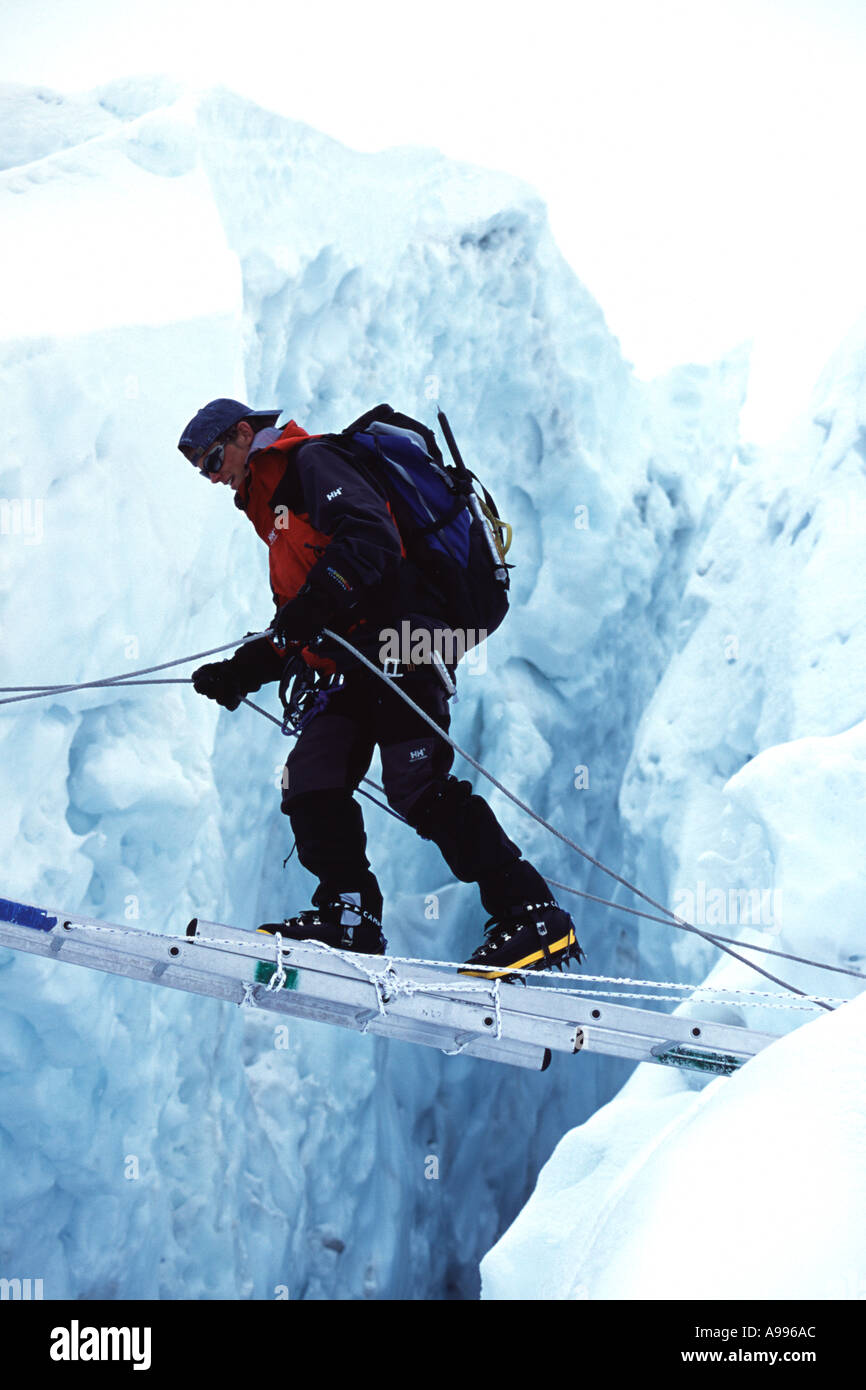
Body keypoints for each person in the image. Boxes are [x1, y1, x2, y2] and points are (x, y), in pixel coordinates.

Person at [178, 397, 582, 976]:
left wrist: (313, 607)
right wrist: (244, 669)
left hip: (408, 641)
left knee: (416, 785)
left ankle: (533, 914)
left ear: (245, 433)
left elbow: (370, 541)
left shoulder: (312, 464)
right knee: (310, 776)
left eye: (215, 459)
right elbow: (301, 624)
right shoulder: (275, 515)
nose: (214, 477)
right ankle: (349, 915)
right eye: (203, 472)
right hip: (355, 660)